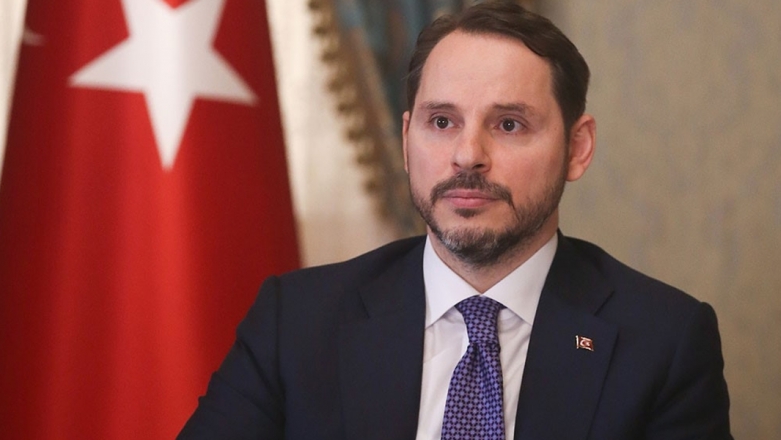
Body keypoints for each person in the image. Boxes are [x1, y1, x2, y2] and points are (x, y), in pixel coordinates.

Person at [179, 2, 732, 439]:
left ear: (577, 148)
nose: (468, 155)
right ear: (405, 139)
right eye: (442, 121)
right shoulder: (297, 322)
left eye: (509, 124)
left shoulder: (663, 342)